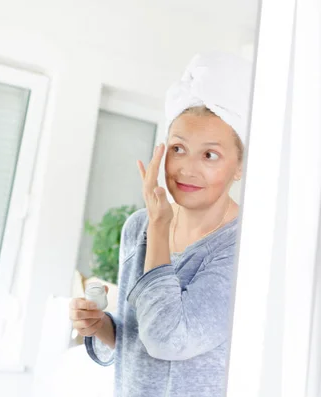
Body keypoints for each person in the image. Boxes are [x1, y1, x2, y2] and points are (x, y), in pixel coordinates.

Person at [69, 52, 252, 397]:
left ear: (239, 167)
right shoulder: (138, 226)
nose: (186, 168)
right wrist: (102, 327)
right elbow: (136, 337)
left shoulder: (242, 246)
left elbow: (168, 339)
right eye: (179, 148)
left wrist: (159, 226)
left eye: (209, 155)